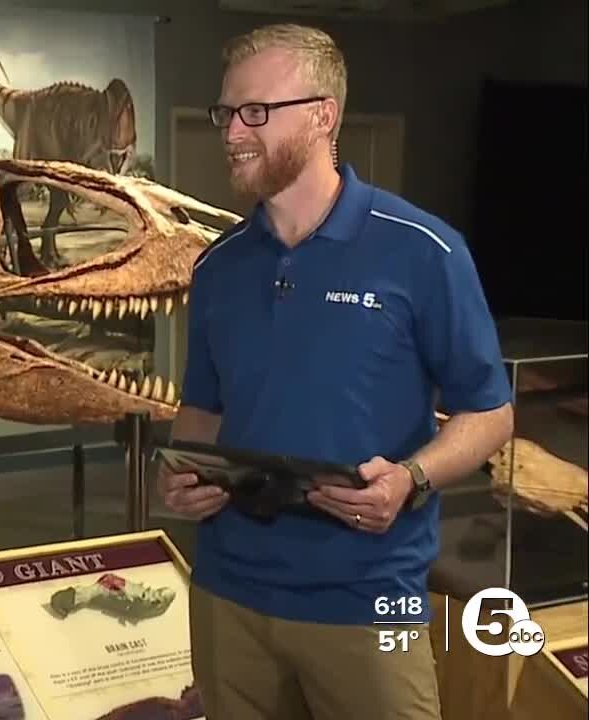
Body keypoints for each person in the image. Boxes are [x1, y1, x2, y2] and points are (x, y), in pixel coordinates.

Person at [157, 23, 514, 720]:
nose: (232, 132)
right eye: (226, 112)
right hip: (228, 596)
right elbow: (202, 408)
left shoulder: (426, 251)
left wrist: (411, 478)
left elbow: (490, 412)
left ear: (324, 116)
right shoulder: (218, 266)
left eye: (256, 111)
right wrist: (182, 477)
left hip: (367, 598)